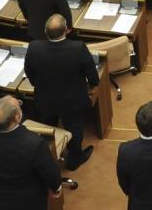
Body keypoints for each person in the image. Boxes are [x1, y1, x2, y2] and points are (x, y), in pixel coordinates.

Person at [24, 14, 99, 169]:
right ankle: (74, 160)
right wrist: (93, 85)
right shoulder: (78, 48)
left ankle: (49, 158)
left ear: (45, 31)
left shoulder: (34, 47)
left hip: (45, 99)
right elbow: (92, 75)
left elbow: (30, 73)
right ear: (66, 30)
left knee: (47, 131)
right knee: (75, 130)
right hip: (73, 100)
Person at [0, 96, 63, 208]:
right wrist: (56, 188)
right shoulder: (34, 144)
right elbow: (49, 173)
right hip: (28, 201)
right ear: (17, 118)